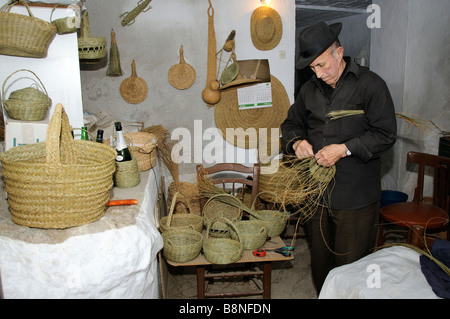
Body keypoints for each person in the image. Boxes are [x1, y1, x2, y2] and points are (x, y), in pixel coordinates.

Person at [281, 21, 397, 293]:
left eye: (322, 65)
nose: (318, 74)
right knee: (321, 264)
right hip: (317, 194)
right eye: (312, 68)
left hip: (355, 196)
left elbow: (385, 134)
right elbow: (290, 125)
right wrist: (296, 142)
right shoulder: (309, 90)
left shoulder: (370, 85)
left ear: (338, 52)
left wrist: (344, 149)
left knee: (351, 267)